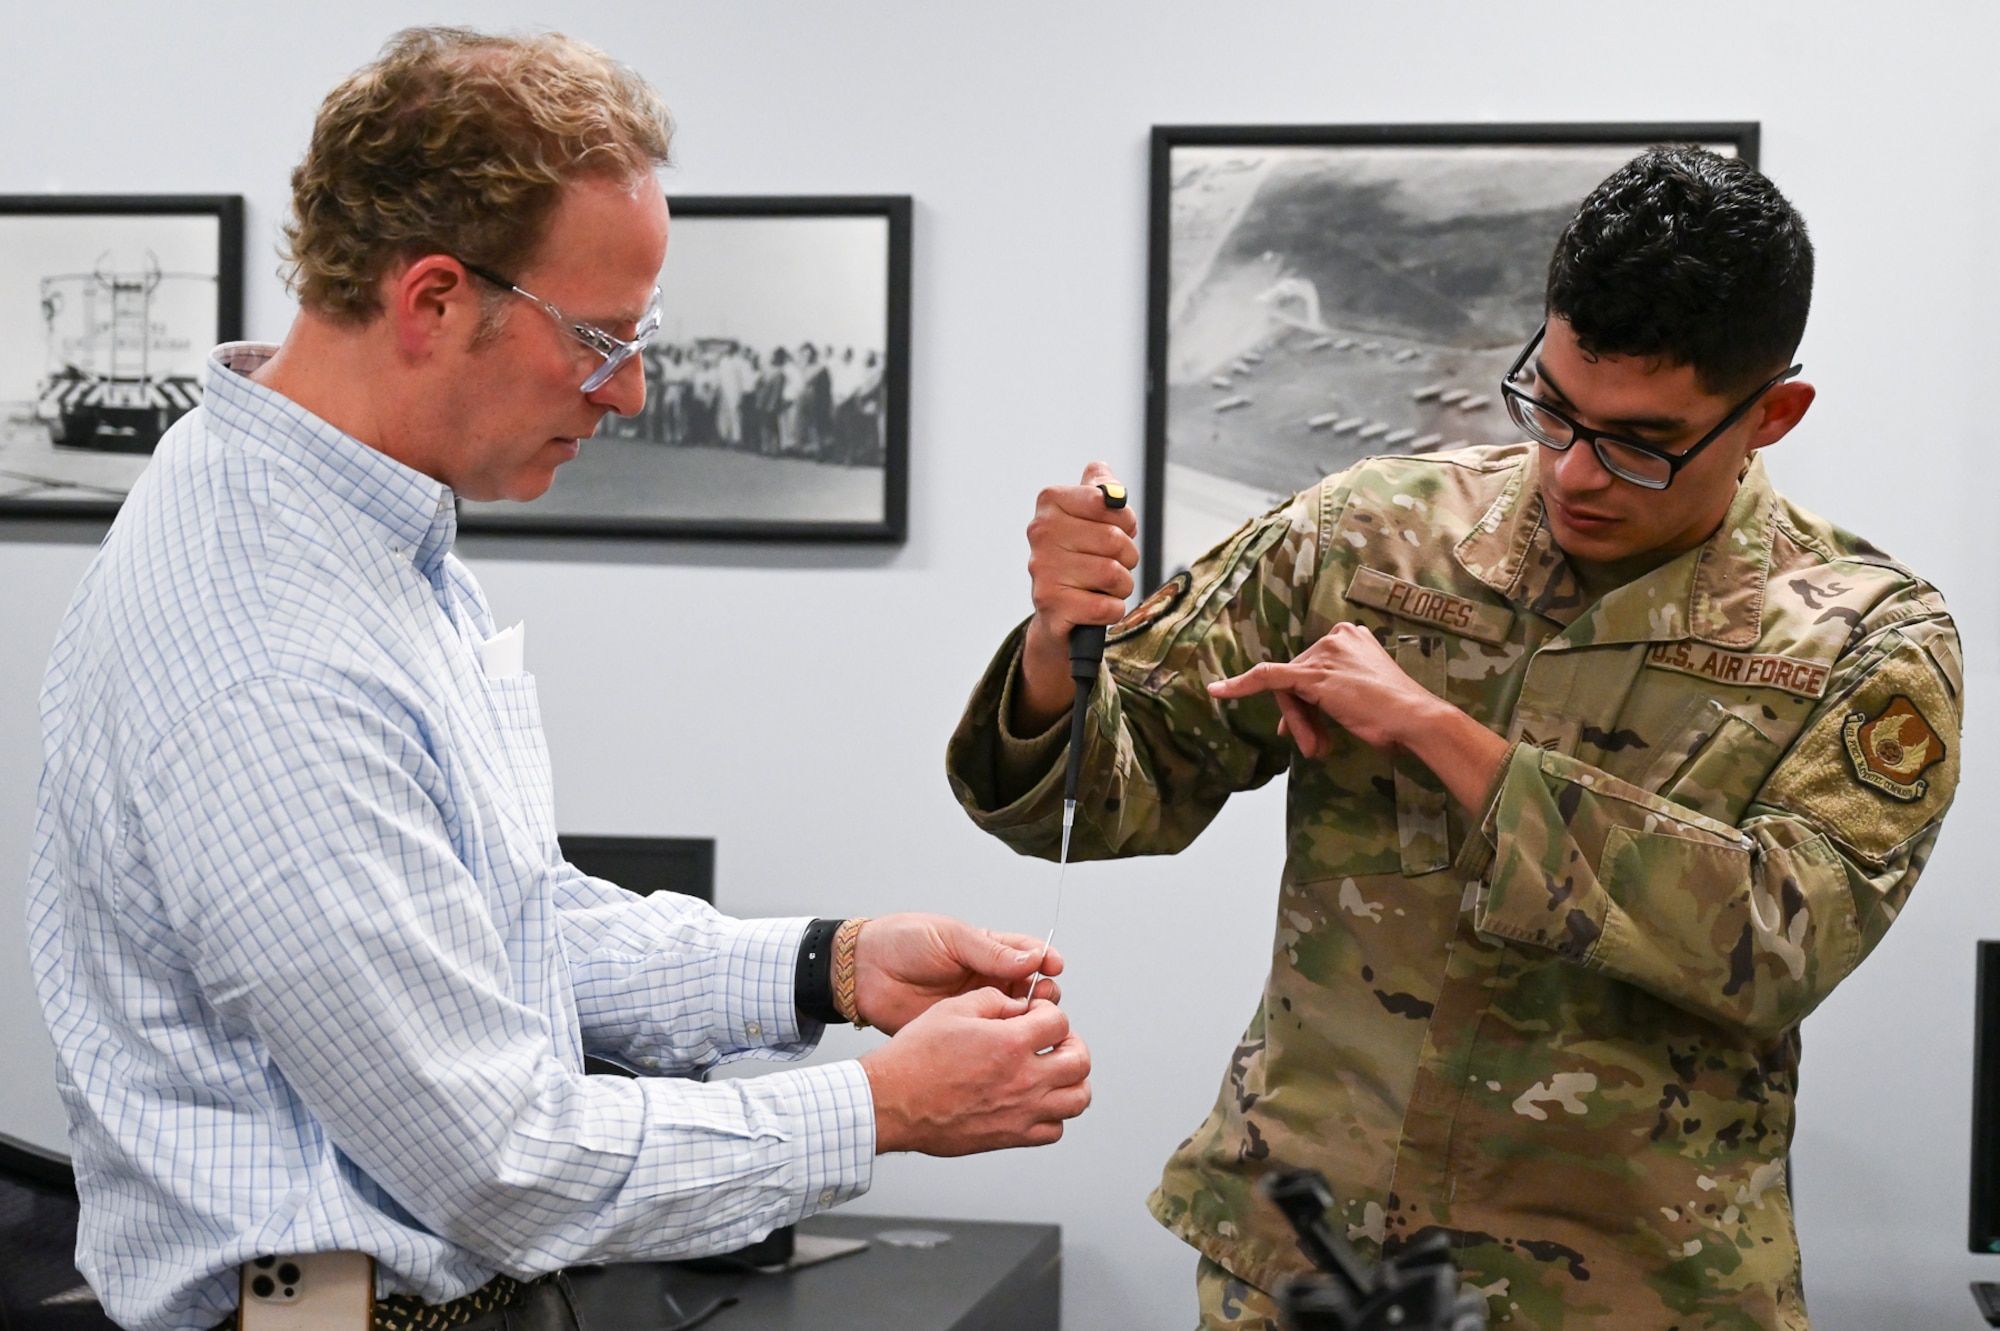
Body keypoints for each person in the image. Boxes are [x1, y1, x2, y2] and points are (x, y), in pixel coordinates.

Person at [26, 28, 1091, 1331]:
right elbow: (501, 1159)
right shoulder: (270, 654)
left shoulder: (354, 531)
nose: (632, 390)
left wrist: (826, 965)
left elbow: (494, 925)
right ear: (430, 299)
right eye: (597, 337)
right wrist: (886, 1104)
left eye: (642, 334)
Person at [947, 146, 1962, 1330]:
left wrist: (1443, 736)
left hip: (1633, 1293)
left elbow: (1779, 939)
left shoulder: (1865, 635)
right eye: (1551, 407)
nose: (1572, 472)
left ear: (1771, 414)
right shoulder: (1369, 538)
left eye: (1639, 442)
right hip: (1311, 1264)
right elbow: (1121, 784)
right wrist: (1055, 641)